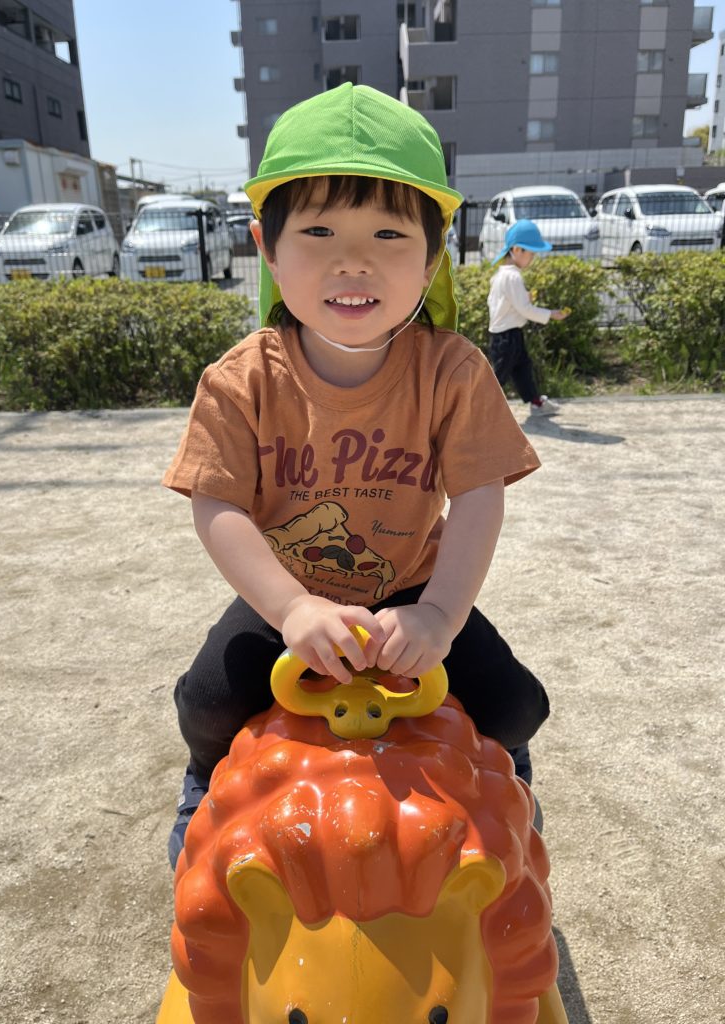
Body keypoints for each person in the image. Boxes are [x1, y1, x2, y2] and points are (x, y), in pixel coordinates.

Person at [162, 84, 550, 868]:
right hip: (289, 594)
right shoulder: (241, 380)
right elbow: (218, 504)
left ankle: (502, 777)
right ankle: (203, 785)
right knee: (205, 702)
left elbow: (479, 495)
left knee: (515, 703)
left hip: (412, 589)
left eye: (388, 233)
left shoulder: (453, 372)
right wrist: (291, 607)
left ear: (432, 255)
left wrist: (440, 614)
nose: (353, 260)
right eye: (318, 230)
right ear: (266, 246)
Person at [487, 219, 569, 417]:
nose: (532, 258)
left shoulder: (501, 275)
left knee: (523, 369)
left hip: (508, 335)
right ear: (516, 250)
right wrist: (551, 314)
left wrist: (525, 298)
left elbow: (504, 303)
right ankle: (478, 409)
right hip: (506, 337)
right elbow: (524, 309)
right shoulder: (513, 276)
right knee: (498, 376)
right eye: (531, 253)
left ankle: (536, 402)